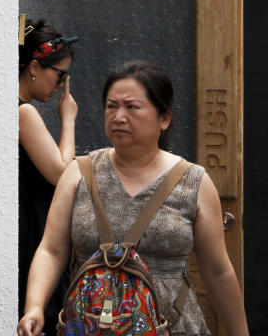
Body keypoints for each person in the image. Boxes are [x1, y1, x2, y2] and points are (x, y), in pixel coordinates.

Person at [18, 61, 249, 336]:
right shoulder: (79, 173)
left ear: (164, 118)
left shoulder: (193, 181)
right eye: (112, 106)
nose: (118, 116)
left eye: (132, 107)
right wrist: (34, 307)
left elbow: (218, 271)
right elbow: (51, 251)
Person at [18, 20, 78, 334]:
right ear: (34, 68)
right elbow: (61, 173)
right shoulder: (23, 112)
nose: (61, 85)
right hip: (29, 230)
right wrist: (68, 120)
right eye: (60, 75)